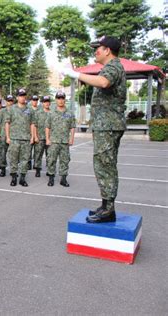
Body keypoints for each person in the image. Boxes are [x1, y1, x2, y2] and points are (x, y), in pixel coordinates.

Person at [62, 35, 126, 223]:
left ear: (108, 50)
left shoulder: (113, 67)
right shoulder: (109, 67)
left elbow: (104, 82)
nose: (95, 51)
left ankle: (109, 209)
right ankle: (106, 205)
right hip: (106, 125)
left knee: (105, 165)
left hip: (109, 126)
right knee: (104, 164)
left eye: (98, 48)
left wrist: (75, 74)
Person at [5, 88, 37, 187]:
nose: (22, 97)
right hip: (14, 138)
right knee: (13, 159)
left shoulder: (30, 109)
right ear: (17, 97)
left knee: (25, 160)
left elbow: (32, 124)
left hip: (26, 139)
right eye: (21, 96)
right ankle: (14, 177)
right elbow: (7, 123)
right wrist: (8, 137)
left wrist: (32, 136)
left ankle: (22, 178)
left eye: (24, 96)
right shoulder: (12, 109)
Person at [45, 92, 76, 187]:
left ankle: (63, 179)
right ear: (56, 100)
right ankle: (51, 178)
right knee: (51, 160)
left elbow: (72, 127)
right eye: (59, 98)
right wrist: (47, 139)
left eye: (62, 98)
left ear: (65, 100)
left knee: (65, 160)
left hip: (65, 141)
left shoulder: (69, 113)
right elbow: (47, 126)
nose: (60, 100)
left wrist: (71, 139)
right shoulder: (51, 113)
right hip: (53, 141)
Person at [33, 96, 52, 177]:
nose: (47, 103)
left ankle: (49, 170)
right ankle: (37, 170)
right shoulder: (38, 113)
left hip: (50, 138)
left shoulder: (53, 113)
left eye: (48, 101)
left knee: (50, 155)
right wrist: (35, 136)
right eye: (45, 101)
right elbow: (34, 125)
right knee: (38, 155)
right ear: (42, 103)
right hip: (40, 137)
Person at [28, 94, 40, 170]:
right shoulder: (27, 110)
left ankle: (36, 164)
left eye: (36, 100)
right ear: (31, 101)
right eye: (33, 100)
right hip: (29, 133)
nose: (35, 102)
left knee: (37, 150)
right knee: (28, 150)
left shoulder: (40, 110)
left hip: (38, 133)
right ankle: (28, 163)